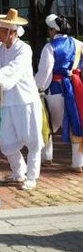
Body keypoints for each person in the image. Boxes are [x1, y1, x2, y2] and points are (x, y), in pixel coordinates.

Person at [0, 9, 44, 190]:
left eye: (1, 30)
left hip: (25, 100)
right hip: (7, 100)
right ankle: (18, 171)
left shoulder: (24, 50)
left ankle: (31, 177)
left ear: (11, 32)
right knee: (6, 143)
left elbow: (11, 71)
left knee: (32, 141)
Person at [35, 14, 83, 172]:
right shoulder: (78, 44)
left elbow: (45, 71)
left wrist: (38, 87)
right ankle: (78, 163)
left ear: (52, 30)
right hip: (74, 88)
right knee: (76, 123)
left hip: (54, 89)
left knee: (47, 123)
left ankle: (47, 158)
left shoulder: (50, 47)